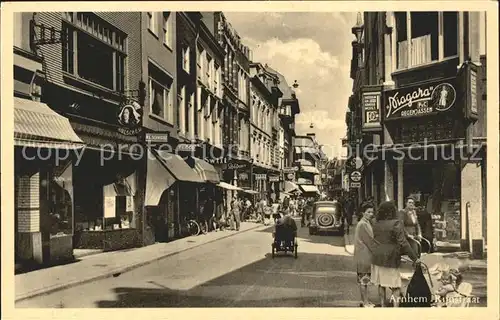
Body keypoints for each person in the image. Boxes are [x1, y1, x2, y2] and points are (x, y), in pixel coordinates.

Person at [371, 201, 420, 307]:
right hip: (391, 258)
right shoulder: (396, 223)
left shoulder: (375, 222)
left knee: (381, 283)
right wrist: (415, 258)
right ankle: (395, 309)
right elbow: (403, 242)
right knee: (395, 286)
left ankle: (383, 305)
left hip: (377, 256)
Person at [353, 202, 377, 307]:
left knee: (364, 280)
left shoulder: (365, 223)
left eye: (372, 212)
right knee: (364, 280)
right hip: (364, 255)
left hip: (363, 255)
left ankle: (364, 300)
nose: (371, 214)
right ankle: (365, 302)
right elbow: (369, 241)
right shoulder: (363, 224)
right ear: (363, 213)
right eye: (368, 212)